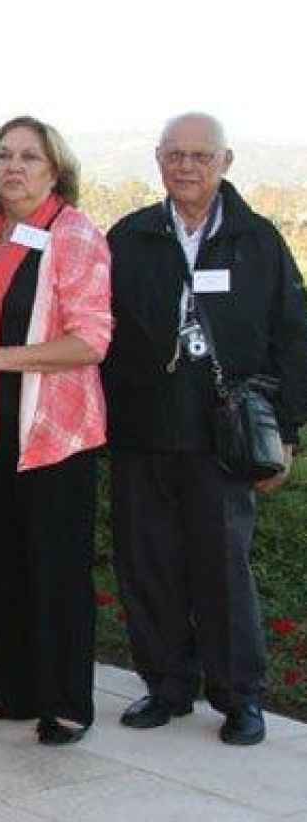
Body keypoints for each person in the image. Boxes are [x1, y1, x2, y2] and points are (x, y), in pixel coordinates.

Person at [104, 112, 307, 747]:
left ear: (226, 161)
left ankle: (239, 697)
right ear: (158, 160)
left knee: (223, 570)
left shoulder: (257, 240)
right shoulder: (131, 236)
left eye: (200, 156)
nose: (187, 167)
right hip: (142, 435)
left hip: (222, 439)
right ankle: (165, 686)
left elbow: (293, 338)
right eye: (175, 156)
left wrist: (288, 432)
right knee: (148, 567)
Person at [0, 117, 112, 746]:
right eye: (5, 155)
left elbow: (91, 339)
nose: (13, 167)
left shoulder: (75, 234)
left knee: (56, 570)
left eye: (29, 157)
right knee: (0, 564)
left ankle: (65, 702)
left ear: (54, 169)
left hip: (54, 433)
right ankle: (8, 690)